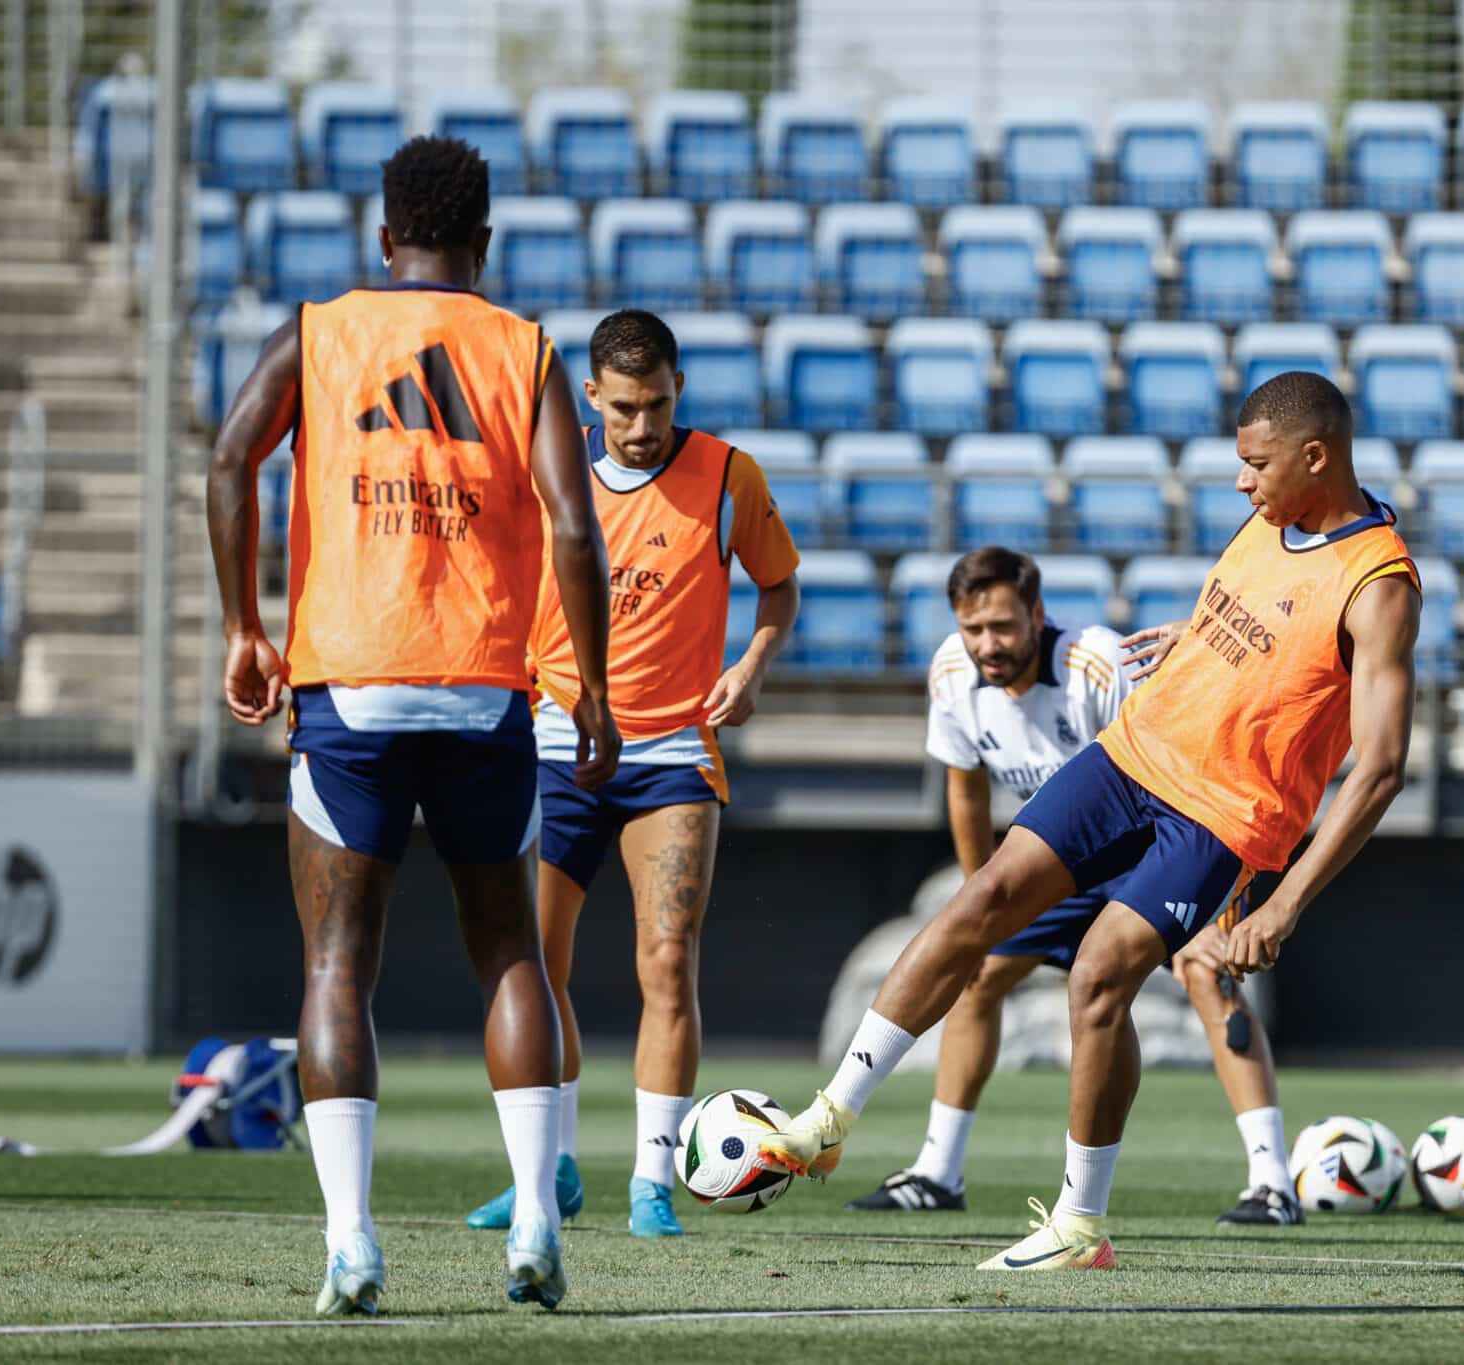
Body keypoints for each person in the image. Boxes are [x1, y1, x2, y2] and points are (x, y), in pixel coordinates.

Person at [757, 371, 1420, 1269]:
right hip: (1131, 754)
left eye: (1254, 464)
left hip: (1223, 817)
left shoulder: (1379, 584)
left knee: (1098, 976)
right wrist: (1196, 635)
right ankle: (828, 1118)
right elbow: (1264, 616)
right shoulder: (1274, 516)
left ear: (1316, 456)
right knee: (979, 896)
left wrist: (1284, 903)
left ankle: (1080, 1224)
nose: (1240, 481)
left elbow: (1379, 768)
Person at [205, 136, 619, 1314]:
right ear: (481, 246)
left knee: (340, 963)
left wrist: (243, 625)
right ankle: (536, 1217)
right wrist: (587, 685)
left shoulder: (320, 332)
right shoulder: (523, 347)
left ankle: (352, 1245)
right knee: (510, 953)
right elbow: (575, 529)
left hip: (350, 687)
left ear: (384, 238)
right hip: (486, 687)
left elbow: (229, 458)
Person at [840, 547, 1304, 1226]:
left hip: (1149, 851)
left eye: (1002, 627)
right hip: (1054, 865)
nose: (987, 645)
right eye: (973, 629)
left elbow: (1177, 769)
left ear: (1037, 615)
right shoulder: (950, 673)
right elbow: (965, 792)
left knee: (1211, 970)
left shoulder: (1100, 664)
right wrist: (980, 905)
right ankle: (939, 1169)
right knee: (973, 974)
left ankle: (1272, 1180)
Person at [465, 309, 802, 1238]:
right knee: (533, 966)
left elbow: (779, 584)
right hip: (554, 744)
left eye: (656, 404)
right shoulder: (549, 469)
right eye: (623, 407)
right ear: (591, 398)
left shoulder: (729, 475)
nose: (642, 425)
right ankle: (551, 1170)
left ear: (679, 390)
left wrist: (753, 663)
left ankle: (652, 1180)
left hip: (671, 755)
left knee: (667, 959)